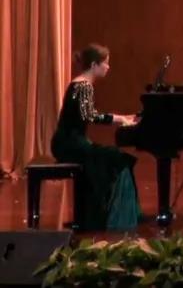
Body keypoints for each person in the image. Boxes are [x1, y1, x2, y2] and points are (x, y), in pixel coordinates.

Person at [51, 44, 141, 231]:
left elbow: (86, 115)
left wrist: (121, 117)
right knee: (117, 159)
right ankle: (114, 218)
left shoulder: (79, 84)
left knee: (110, 158)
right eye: (105, 63)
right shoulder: (84, 86)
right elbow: (89, 116)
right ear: (94, 65)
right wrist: (120, 119)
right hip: (71, 144)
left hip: (67, 142)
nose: (108, 67)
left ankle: (97, 215)